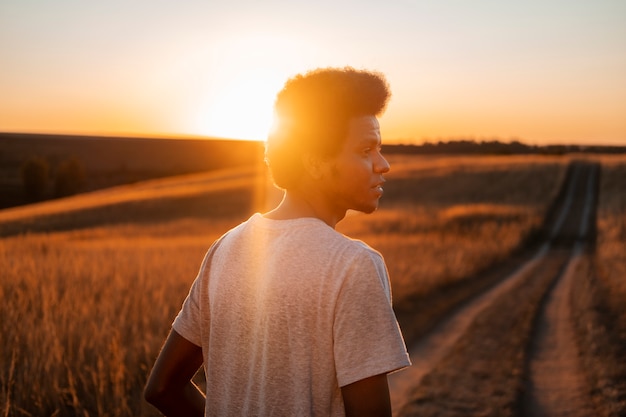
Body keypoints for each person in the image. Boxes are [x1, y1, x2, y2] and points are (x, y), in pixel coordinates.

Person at [144, 67, 411, 417]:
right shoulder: (352, 264)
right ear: (315, 162)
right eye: (366, 150)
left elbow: (162, 388)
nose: (384, 164)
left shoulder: (225, 249)